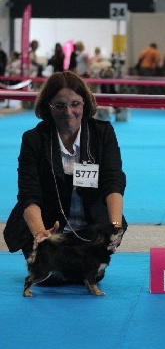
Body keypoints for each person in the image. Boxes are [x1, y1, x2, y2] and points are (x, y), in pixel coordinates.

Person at [3, 71, 127, 285]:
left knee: (92, 275)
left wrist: (114, 226)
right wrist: (40, 233)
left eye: (75, 104)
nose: (68, 112)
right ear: (48, 107)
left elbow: (113, 180)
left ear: (85, 104)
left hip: (92, 231)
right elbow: (28, 193)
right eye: (59, 105)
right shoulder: (33, 139)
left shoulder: (102, 133)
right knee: (49, 279)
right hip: (50, 231)